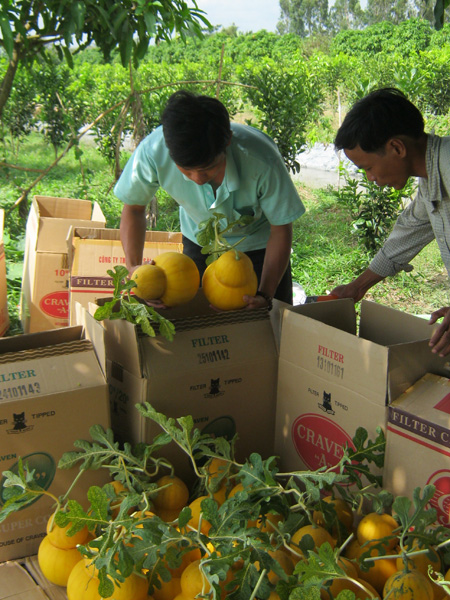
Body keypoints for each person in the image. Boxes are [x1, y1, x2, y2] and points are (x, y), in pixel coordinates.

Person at [114, 90, 305, 309]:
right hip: (200, 244)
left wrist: (266, 295)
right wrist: (134, 268)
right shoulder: (153, 151)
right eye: (186, 171)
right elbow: (135, 208)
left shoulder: (262, 160)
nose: (197, 179)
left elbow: (281, 228)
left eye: (208, 169)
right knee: (198, 324)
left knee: (268, 325)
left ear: (227, 142)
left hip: (260, 250)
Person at [330, 87, 450, 356]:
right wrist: (356, 287)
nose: (370, 179)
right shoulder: (432, 179)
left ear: (396, 147)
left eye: (368, 168)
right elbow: (408, 232)